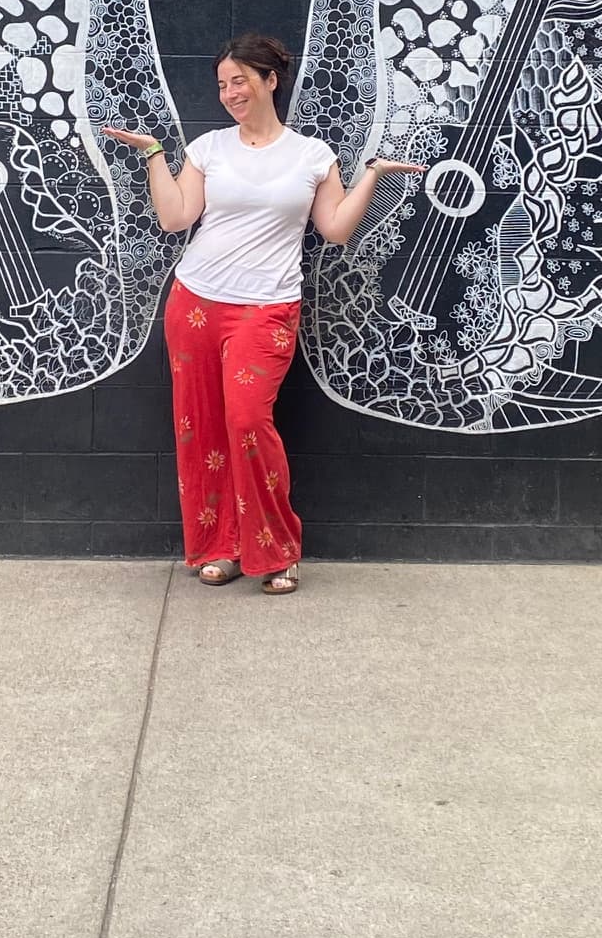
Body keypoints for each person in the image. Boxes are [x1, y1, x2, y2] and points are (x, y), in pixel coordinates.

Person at [104, 33, 422, 595]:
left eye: (240, 81)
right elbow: (176, 218)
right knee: (202, 429)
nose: (230, 93)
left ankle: (276, 550)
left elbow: (335, 229)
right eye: (222, 84)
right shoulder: (209, 148)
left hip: (267, 307)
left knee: (248, 422)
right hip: (196, 302)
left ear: (271, 81)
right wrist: (154, 154)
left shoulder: (312, 156)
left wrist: (372, 175)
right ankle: (221, 546)